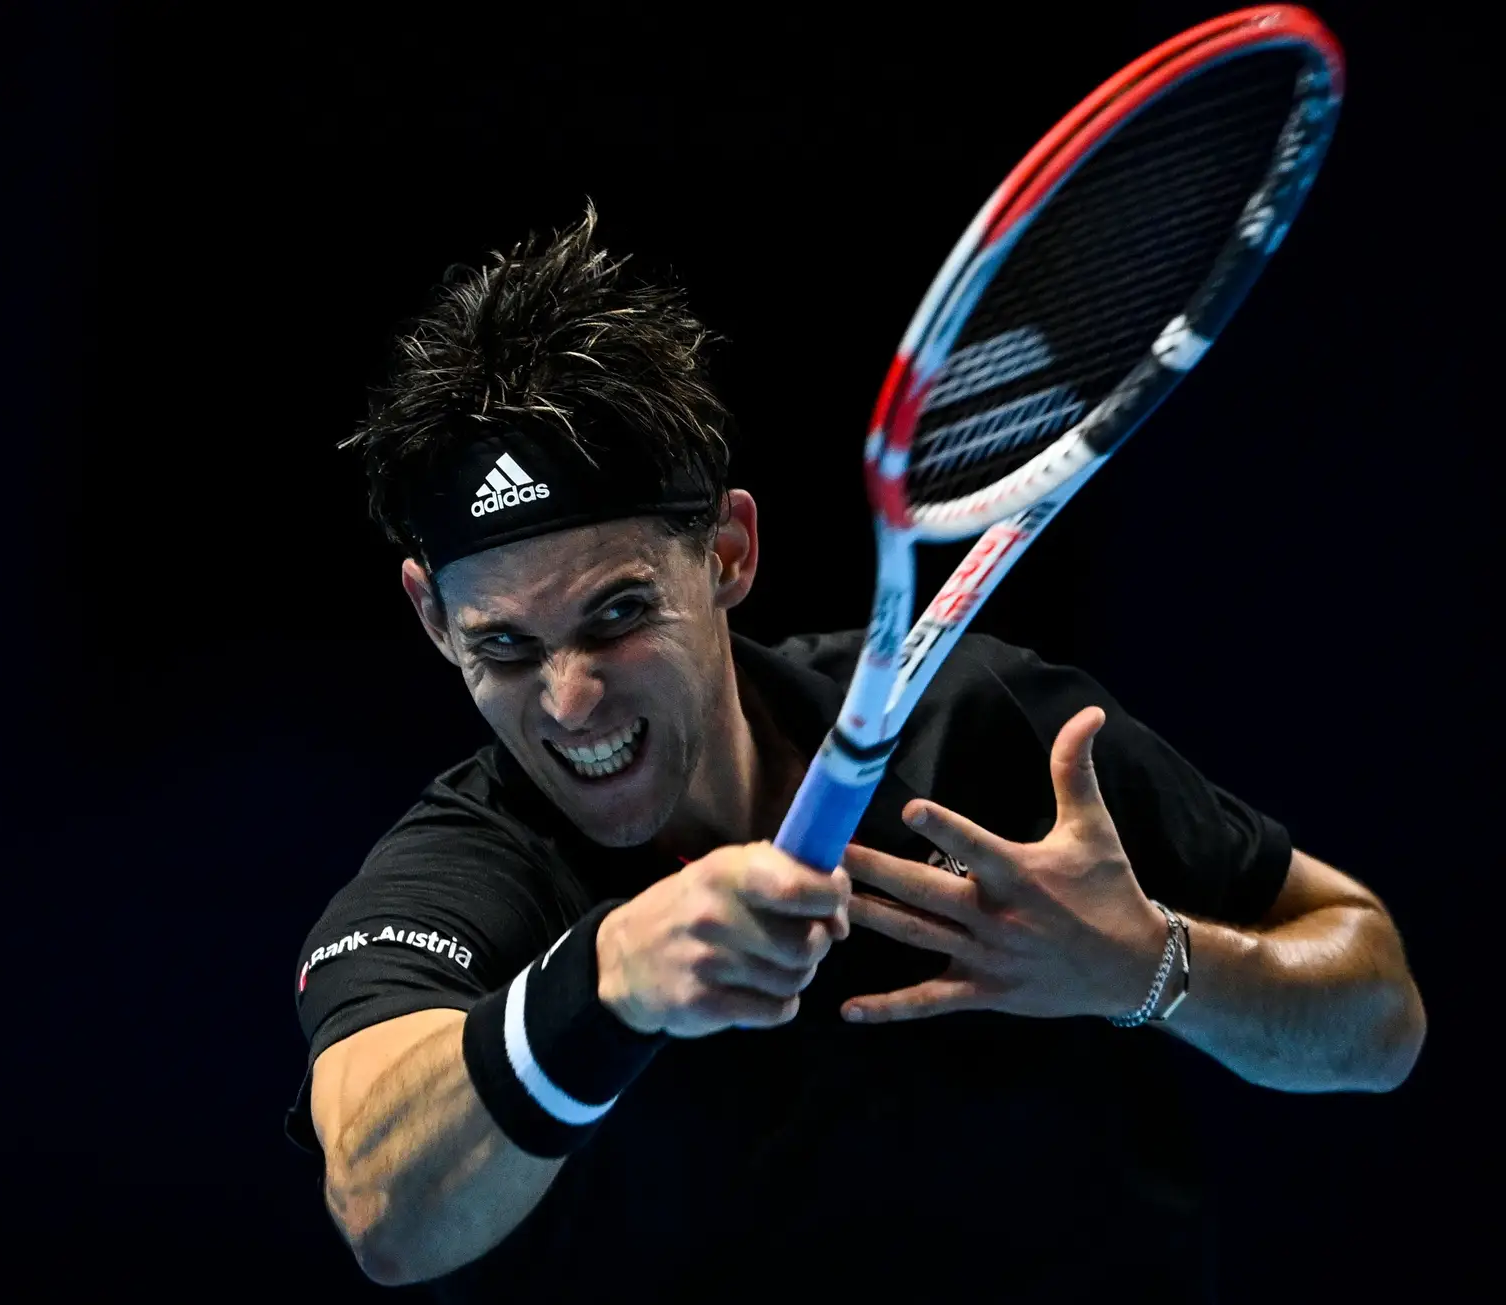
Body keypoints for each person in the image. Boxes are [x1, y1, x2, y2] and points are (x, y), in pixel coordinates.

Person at [285, 207, 1425, 1302]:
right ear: (434, 619)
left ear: (727, 553)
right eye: (506, 647)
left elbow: (1380, 1019)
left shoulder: (988, 727)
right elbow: (382, 1210)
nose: (571, 700)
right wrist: (608, 978)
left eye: (618, 615)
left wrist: (1154, 966)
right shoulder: (455, 883)